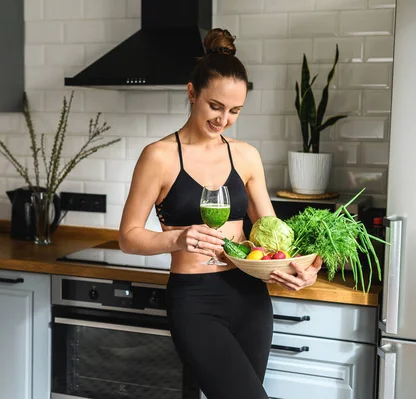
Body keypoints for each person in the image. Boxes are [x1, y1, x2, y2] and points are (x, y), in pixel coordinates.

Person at [118, 28, 323, 399]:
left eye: (234, 111)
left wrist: (300, 269)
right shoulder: (159, 156)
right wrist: (177, 238)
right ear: (192, 92)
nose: (223, 119)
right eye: (215, 106)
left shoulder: (245, 155)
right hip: (195, 302)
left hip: (251, 298)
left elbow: (272, 233)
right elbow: (128, 236)